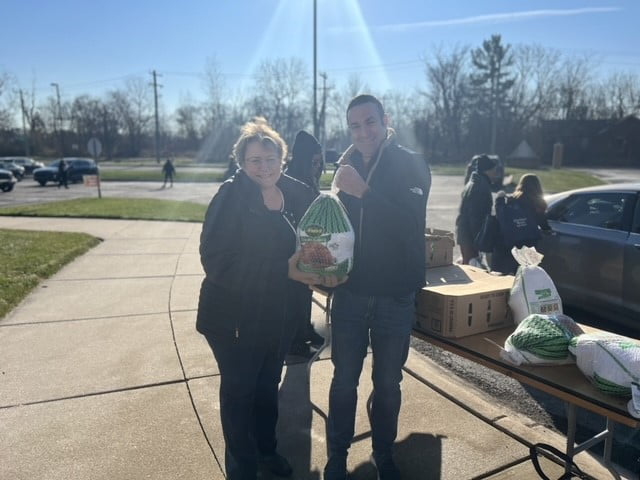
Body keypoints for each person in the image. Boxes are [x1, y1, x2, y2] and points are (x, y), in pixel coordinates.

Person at [196, 117, 338, 480]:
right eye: (255, 160)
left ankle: (266, 450)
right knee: (240, 391)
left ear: (283, 158)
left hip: (275, 316)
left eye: (270, 159)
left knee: (266, 388)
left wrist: (325, 265)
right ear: (242, 162)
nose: (264, 167)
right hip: (233, 318)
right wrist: (285, 270)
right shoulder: (231, 197)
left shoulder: (295, 193)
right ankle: (241, 466)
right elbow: (216, 261)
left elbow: (316, 239)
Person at [324, 94, 430, 480]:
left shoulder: (411, 163)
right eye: (355, 125)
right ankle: (337, 456)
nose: (363, 131)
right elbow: (339, 228)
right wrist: (326, 263)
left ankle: (384, 453)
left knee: (387, 383)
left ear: (386, 120)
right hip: (350, 292)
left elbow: (409, 224)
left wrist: (363, 192)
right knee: (342, 381)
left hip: (394, 294)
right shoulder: (345, 164)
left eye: (370, 122)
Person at [284, 130, 326, 357]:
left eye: (319, 160)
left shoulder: (308, 175)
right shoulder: (291, 178)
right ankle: (295, 338)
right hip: (293, 247)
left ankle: (305, 328)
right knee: (295, 295)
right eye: (314, 160)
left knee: (305, 292)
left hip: (307, 244)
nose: (317, 164)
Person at [491, 173, 551, 274]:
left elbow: (503, 217)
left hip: (511, 241)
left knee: (509, 272)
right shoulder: (537, 202)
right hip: (529, 242)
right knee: (528, 272)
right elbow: (542, 221)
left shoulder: (512, 199)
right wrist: (547, 229)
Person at [455, 154, 500, 265]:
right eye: (494, 170)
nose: (496, 174)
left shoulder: (475, 182)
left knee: (469, 265)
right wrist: (480, 242)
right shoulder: (480, 187)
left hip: (465, 234)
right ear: (487, 171)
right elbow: (476, 217)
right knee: (472, 270)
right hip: (470, 238)